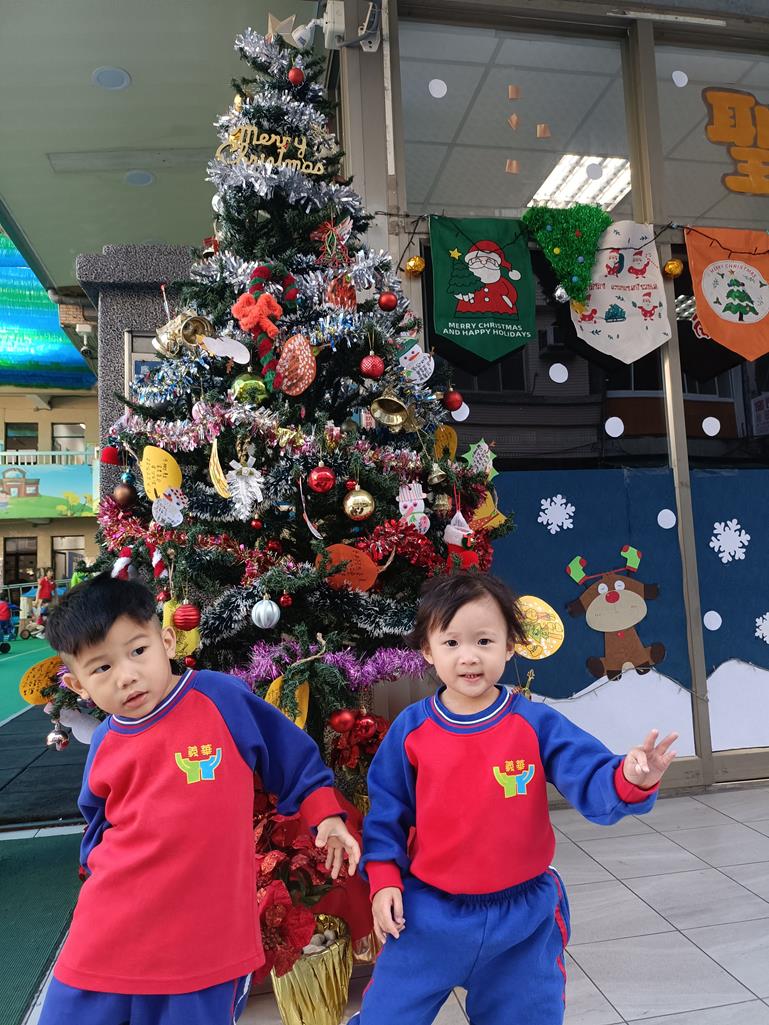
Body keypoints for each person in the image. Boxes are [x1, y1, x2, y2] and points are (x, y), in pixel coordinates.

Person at [350, 572, 678, 1025]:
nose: (469, 656)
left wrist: (631, 776)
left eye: (484, 641)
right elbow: (386, 815)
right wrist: (385, 878)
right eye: (451, 643)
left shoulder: (535, 723)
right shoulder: (411, 731)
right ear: (427, 650)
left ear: (509, 646)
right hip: (427, 916)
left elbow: (589, 773)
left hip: (521, 923)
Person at [38, 572, 360, 1025]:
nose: (127, 676)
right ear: (79, 687)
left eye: (138, 651)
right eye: (102, 668)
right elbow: (97, 824)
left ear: (167, 641)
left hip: (205, 937)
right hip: (108, 927)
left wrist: (325, 815)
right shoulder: (107, 741)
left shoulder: (219, 698)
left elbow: (294, 760)